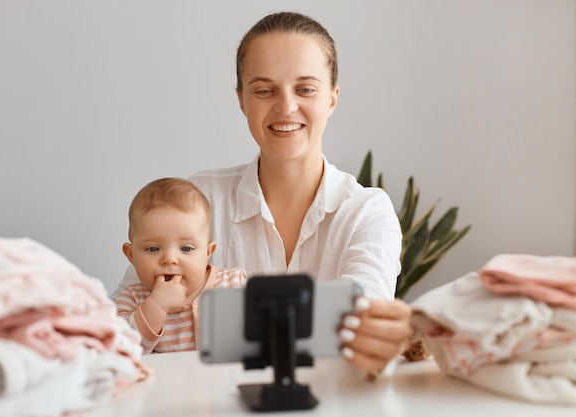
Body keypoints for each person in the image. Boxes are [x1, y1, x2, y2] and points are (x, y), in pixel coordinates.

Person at [114, 11, 412, 373]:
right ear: (242, 100)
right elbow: (118, 331)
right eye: (264, 90)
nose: (286, 106)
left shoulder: (367, 212)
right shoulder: (199, 199)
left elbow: (362, 318)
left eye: (305, 89)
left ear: (332, 98)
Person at [114, 177, 247, 354]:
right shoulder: (132, 299)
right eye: (153, 248)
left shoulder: (234, 285)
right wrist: (156, 307)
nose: (169, 259)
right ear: (131, 255)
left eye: (186, 248)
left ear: (208, 252)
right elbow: (115, 351)